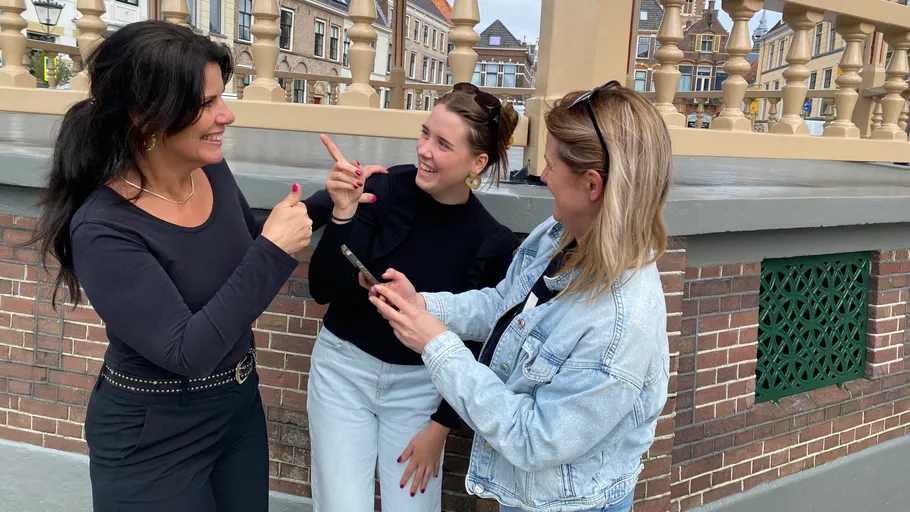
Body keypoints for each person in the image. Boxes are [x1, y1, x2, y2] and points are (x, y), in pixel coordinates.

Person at [28, 21, 314, 512]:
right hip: (152, 436)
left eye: (222, 97)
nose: (226, 115)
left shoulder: (209, 169)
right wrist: (273, 251)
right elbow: (187, 351)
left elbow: (250, 247)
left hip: (237, 411)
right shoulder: (104, 228)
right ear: (145, 116)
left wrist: (333, 203)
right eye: (206, 103)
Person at [368, 81, 672, 512]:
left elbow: (534, 437)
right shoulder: (558, 234)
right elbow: (503, 304)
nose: (541, 175)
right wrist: (425, 304)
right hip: (529, 495)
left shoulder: (619, 321)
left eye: (550, 166)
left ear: (592, 184)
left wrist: (436, 345)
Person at [303, 83, 522, 511]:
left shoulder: (489, 239)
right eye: (425, 133)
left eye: (442, 144)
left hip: (422, 388)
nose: (424, 149)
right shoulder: (384, 189)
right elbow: (321, 289)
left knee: (413, 507)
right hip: (343, 372)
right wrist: (343, 213)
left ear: (477, 162)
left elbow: (481, 344)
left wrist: (441, 426)